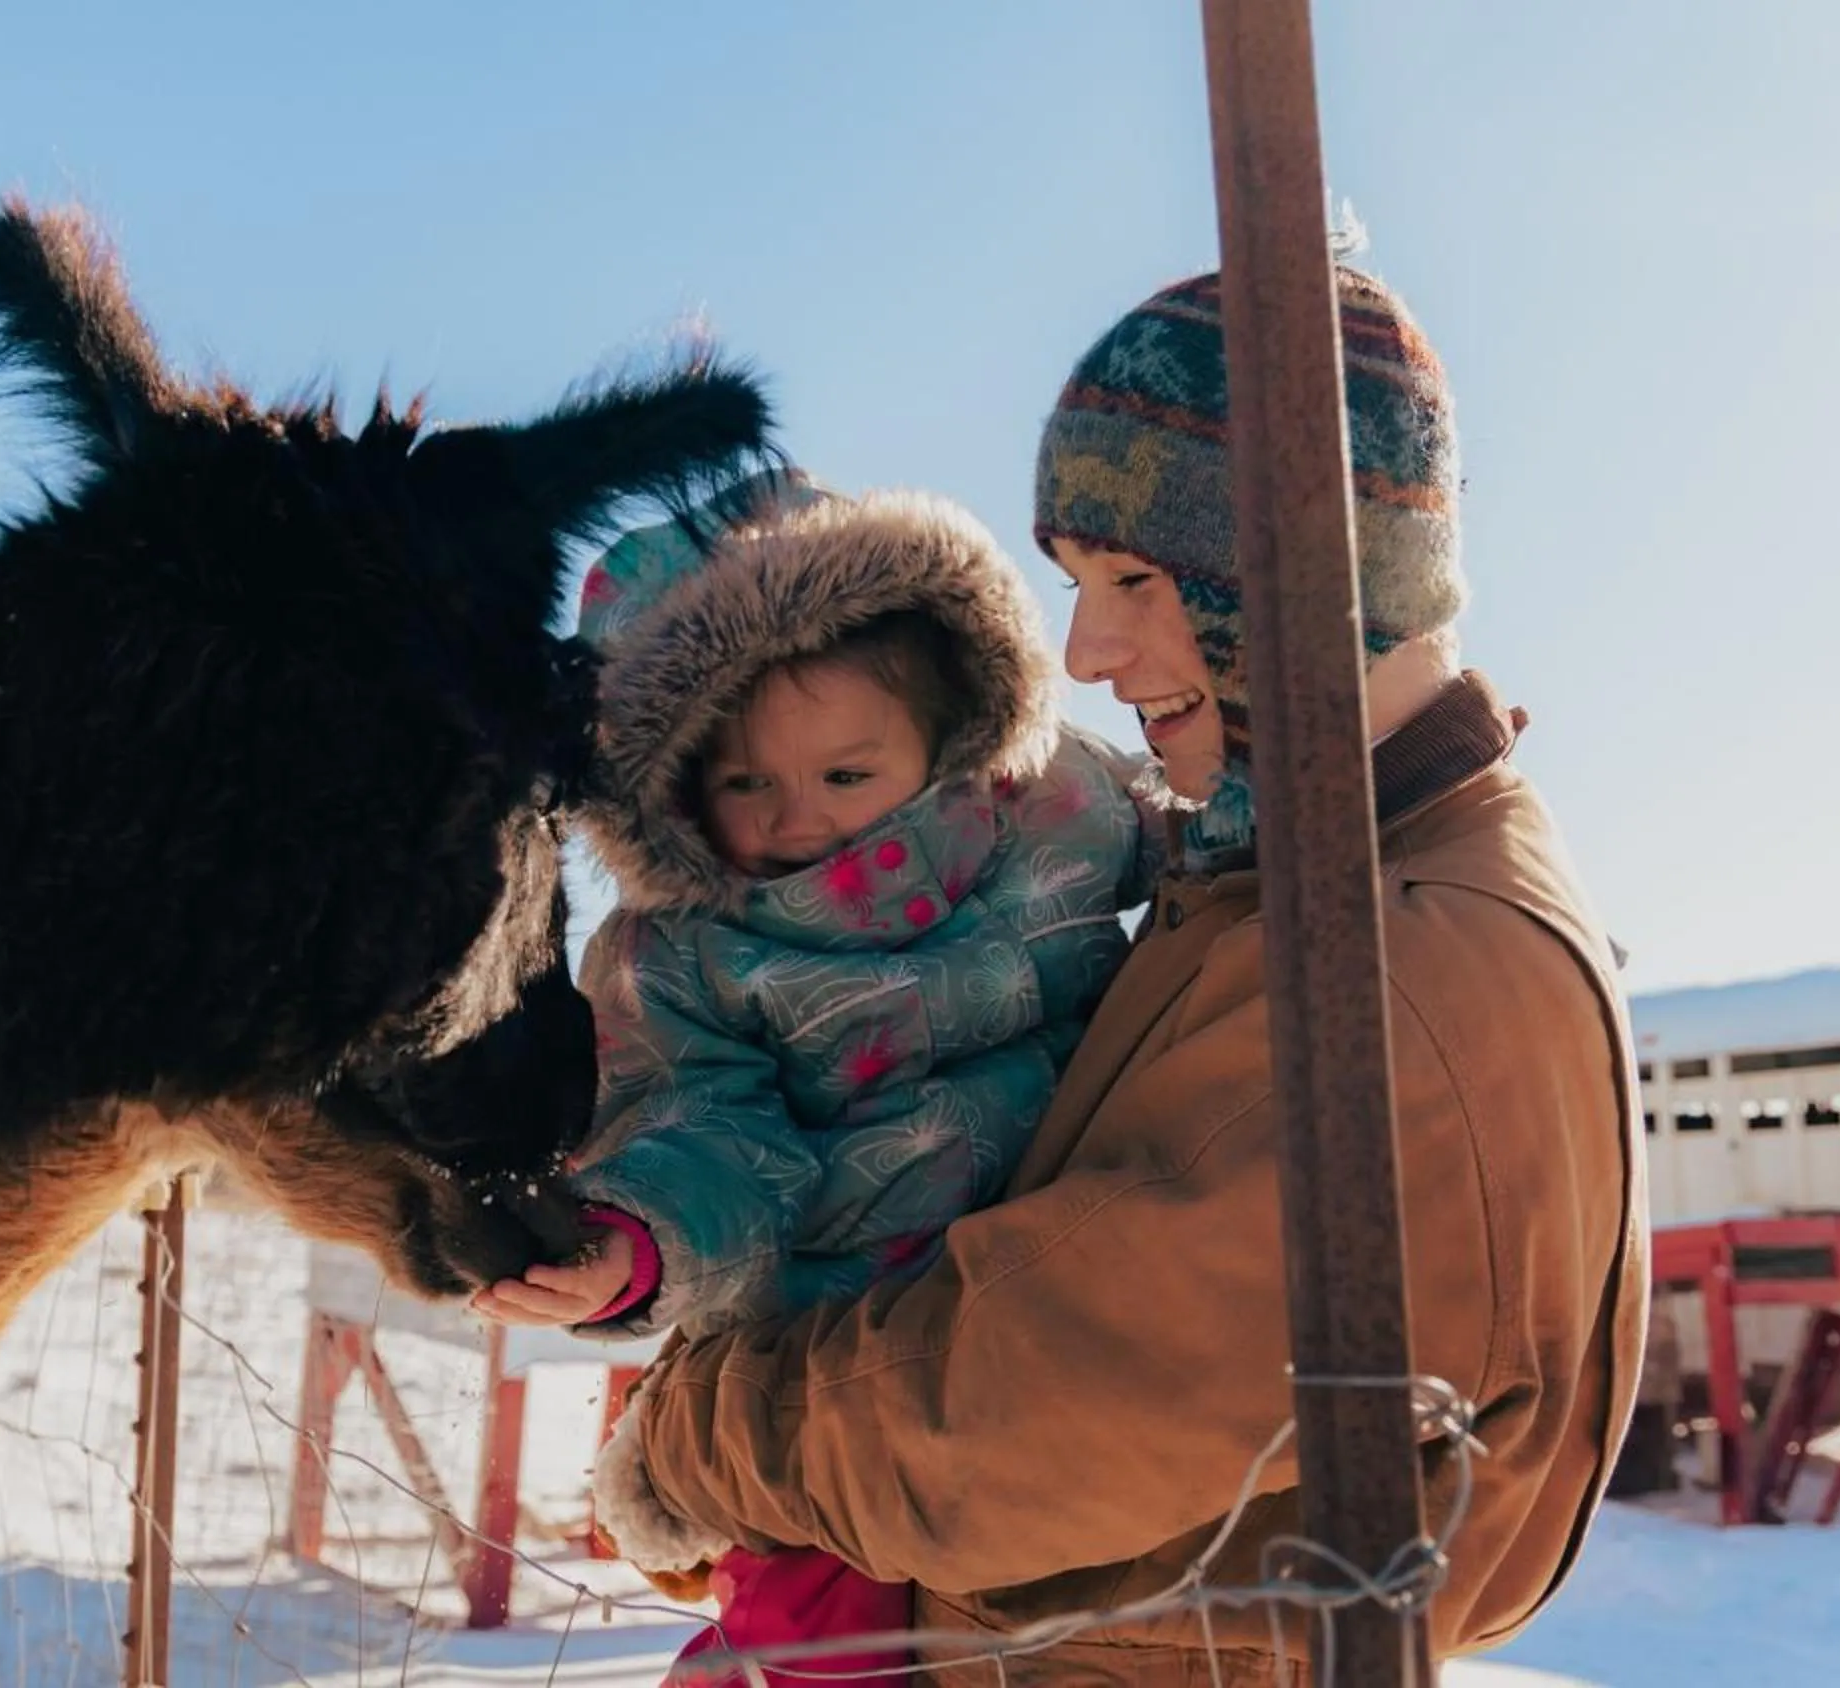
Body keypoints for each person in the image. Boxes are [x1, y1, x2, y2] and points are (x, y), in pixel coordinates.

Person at [590, 269, 1647, 1686]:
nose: (1085, 655)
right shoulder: (1275, 888)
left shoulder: (1409, 972)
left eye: (1134, 584)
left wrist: (690, 1438)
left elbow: (1002, 1426)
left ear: (1308, 574)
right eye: (1080, 589)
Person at [471, 473, 1154, 1685]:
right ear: (670, 795)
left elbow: (1211, 831)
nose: (802, 823)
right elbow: (703, 1123)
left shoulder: (1057, 802)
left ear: (945, 733)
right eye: (746, 785)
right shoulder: (685, 952)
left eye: (847, 774)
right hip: (844, 1317)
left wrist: (1369, 791)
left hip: (1060, 1253)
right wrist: (634, 1241)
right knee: (809, 1616)